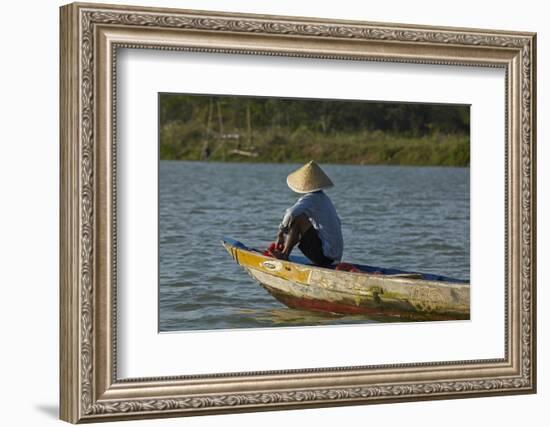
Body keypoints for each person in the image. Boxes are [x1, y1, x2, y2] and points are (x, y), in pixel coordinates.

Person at [273, 161, 343, 266]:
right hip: (335, 256)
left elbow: (291, 213)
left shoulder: (311, 198)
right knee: (300, 218)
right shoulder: (324, 199)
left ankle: (285, 254)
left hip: (326, 257)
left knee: (298, 218)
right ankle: (285, 252)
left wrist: (281, 234)